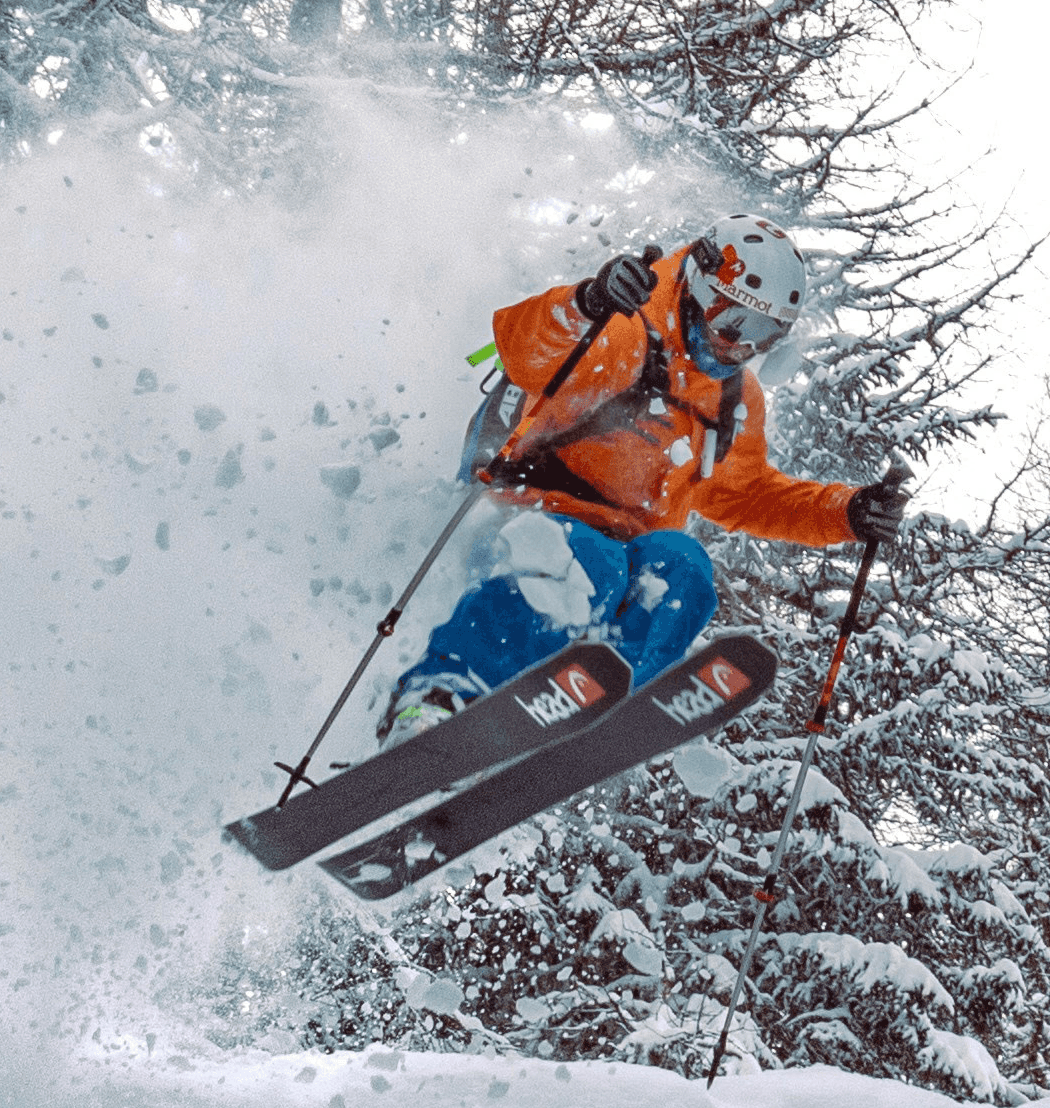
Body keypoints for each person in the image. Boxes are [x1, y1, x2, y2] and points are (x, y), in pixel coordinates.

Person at [380, 214, 906, 745]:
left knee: (685, 571)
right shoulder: (625, 329)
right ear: (700, 288)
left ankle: (584, 719)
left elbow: (745, 492)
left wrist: (845, 512)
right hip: (523, 517)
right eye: (731, 320)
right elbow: (525, 351)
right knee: (594, 561)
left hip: (618, 554)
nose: (737, 346)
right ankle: (439, 695)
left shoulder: (732, 398)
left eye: (760, 335)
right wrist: (586, 304)